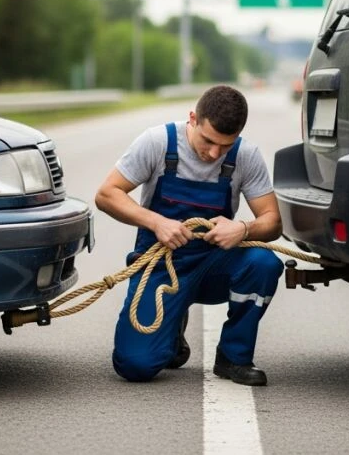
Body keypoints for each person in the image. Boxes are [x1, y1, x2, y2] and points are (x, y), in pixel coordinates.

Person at [94, 85, 282, 386]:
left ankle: (234, 356)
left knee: (264, 262)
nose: (214, 153)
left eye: (225, 145)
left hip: (213, 264)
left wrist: (243, 228)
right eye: (208, 141)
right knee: (135, 366)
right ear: (193, 118)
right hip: (162, 266)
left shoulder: (246, 155)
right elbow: (106, 195)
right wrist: (157, 222)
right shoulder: (157, 142)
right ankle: (171, 327)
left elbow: (273, 222)